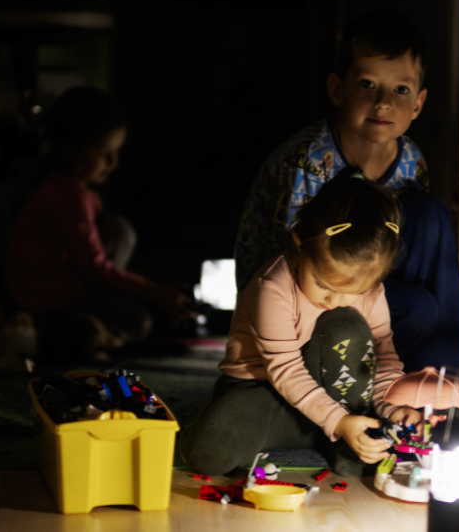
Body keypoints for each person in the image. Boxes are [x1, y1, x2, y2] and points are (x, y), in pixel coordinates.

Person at [234, 10, 459, 371]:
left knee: (429, 213)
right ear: (337, 90)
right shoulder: (309, 161)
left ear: (418, 104)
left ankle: (441, 376)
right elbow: (291, 269)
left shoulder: (412, 159)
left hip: (359, 278)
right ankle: (351, 377)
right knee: (417, 308)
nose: (383, 102)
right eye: (368, 84)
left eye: (400, 90)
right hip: (299, 300)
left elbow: (404, 249)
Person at [180, 173, 424, 477]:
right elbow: (285, 370)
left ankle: (348, 435)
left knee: (346, 325)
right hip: (265, 393)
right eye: (323, 285)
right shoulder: (272, 288)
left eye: (355, 291)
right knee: (208, 452)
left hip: (340, 394)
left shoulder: (371, 290)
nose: (336, 300)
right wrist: (337, 421)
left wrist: (393, 408)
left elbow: (383, 361)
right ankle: (337, 431)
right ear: (300, 243)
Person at [5, 86, 194, 360]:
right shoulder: (67, 197)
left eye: (116, 151)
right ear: (69, 151)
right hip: (49, 297)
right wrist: (157, 292)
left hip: (66, 284)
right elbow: (94, 266)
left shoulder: (75, 192)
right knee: (140, 322)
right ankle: (74, 330)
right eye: (102, 151)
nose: (113, 161)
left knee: (118, 230)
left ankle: (93, 328)